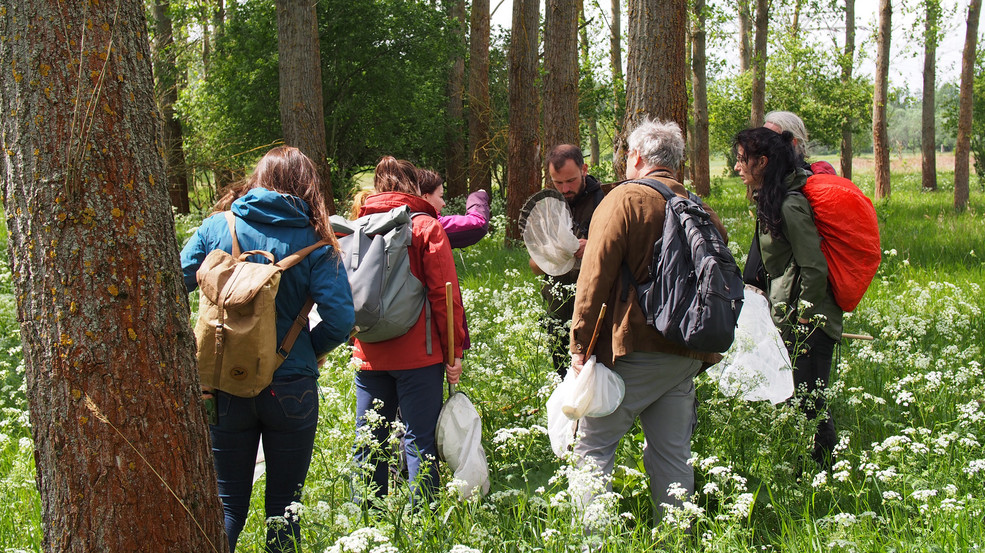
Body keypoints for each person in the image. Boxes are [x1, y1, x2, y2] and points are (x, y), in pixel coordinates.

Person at [180, 146, 355, 552]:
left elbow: (173, 282)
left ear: (258, 180)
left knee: (226, 505)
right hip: (290, 384)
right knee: (284, 509)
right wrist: (310, 349)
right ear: (305, 185)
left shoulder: (216, 227)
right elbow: (342, 319)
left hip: (224, 383)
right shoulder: (316, 239)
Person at [568, 119, 728, 523]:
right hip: (688, 349)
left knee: (593, 448)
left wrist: (579, 345)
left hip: (634, 349)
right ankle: (676, 538)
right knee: (672, 456)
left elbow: (593, 277)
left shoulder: (622, 200)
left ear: (636, 157)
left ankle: (591, 541)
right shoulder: (698, 206)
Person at [351, 155, 466, 505]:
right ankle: (424, 523)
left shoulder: (356, 227)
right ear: (414, 186)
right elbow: (445, 296)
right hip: (420, 355)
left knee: (370, 440)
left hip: (369, 352)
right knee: (419, 441)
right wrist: (454, 352)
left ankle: (366, 520)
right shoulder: (425, 227)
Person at [733, 126, 843, 470]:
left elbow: (814, 267)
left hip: (810, 319)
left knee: (810, 401)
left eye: (741, 160)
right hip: (790, 313)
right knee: (797, 398)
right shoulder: (771, 198)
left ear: (762, 162)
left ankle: (827, 473)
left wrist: (807, 318)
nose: (736, 167)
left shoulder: (790, 204)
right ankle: (806, 467)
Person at [528, 144, 605, 378]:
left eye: (570, 181)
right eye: (557, 182)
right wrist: (554, 254)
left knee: (597, 377)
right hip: (558, 307)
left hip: (596, 306)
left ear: (584, 169)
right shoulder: (546, 208)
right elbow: (533, 266)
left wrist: (591, 247)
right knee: (563, 377)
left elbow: (624, 250)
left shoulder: (606, 200)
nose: (565, 188)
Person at [745, 111, 836, 290]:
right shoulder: (778, 180)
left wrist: (802, 314)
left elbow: (811, 262)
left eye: (770, 138)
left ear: (792, 143)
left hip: (784, 301)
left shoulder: (797, 186)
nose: (762, 144)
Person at [417, 168, 491, 249]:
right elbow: (479, 223)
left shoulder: (408, 220)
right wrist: (478, 197)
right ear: (426, 197)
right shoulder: (430, 226)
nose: (443, 204)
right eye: (441, 196)